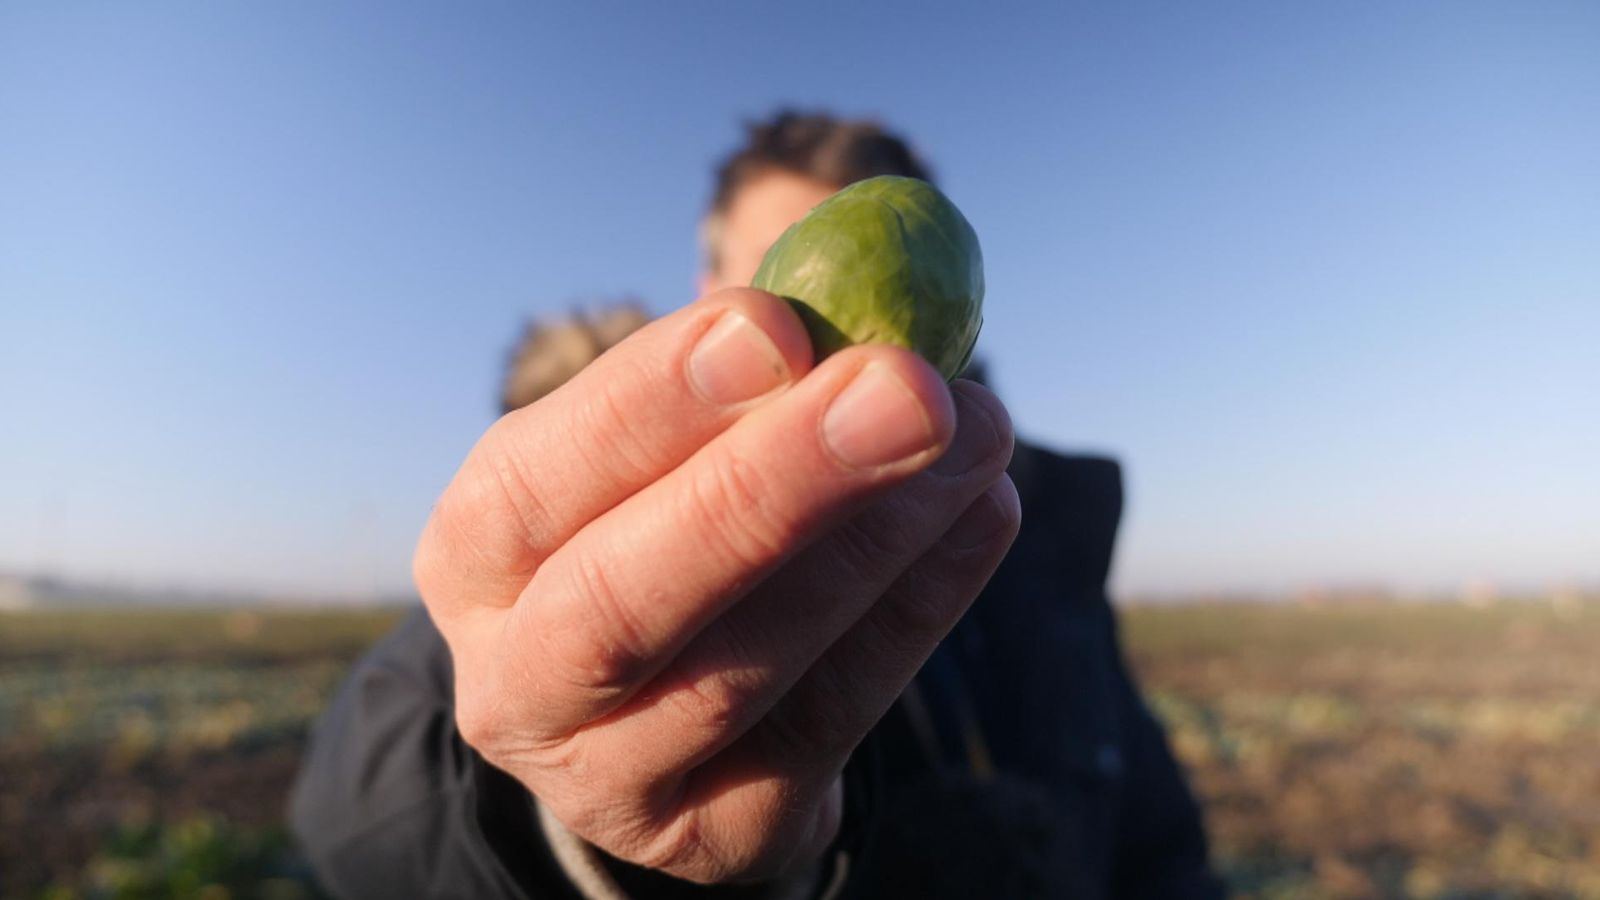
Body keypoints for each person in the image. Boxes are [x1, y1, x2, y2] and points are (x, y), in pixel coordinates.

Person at [291, 110, 1224, 899]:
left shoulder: (1036, 525)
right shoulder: (609, 508)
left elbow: (1161, 848)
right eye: (771, 262)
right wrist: (561, 830)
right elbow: (359, 806)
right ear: (709, 293)